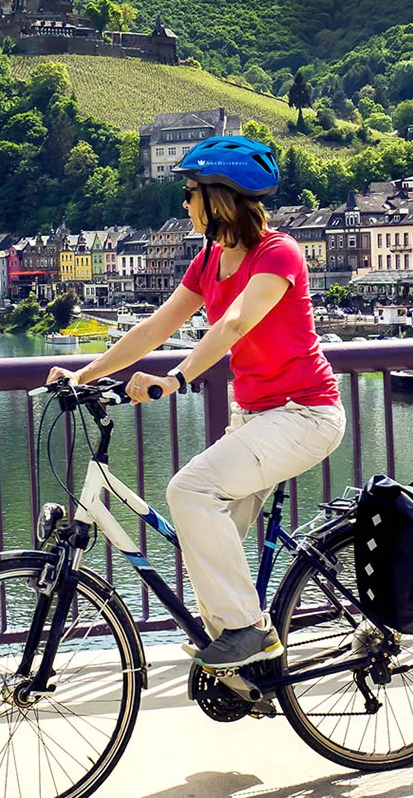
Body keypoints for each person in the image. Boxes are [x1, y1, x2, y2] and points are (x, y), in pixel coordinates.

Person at [46, 135, 344, 669]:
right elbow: (157, 326)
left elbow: (235, 322)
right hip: (254, 418)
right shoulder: (208, 261)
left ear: (217, 197)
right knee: (206, 538)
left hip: (304, 415)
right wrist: (82, 374)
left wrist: (176, 378)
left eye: (189, 192)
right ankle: (245, 668)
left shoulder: (278, 253)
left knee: (188, 490)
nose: (183, 203)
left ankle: (251, 632)